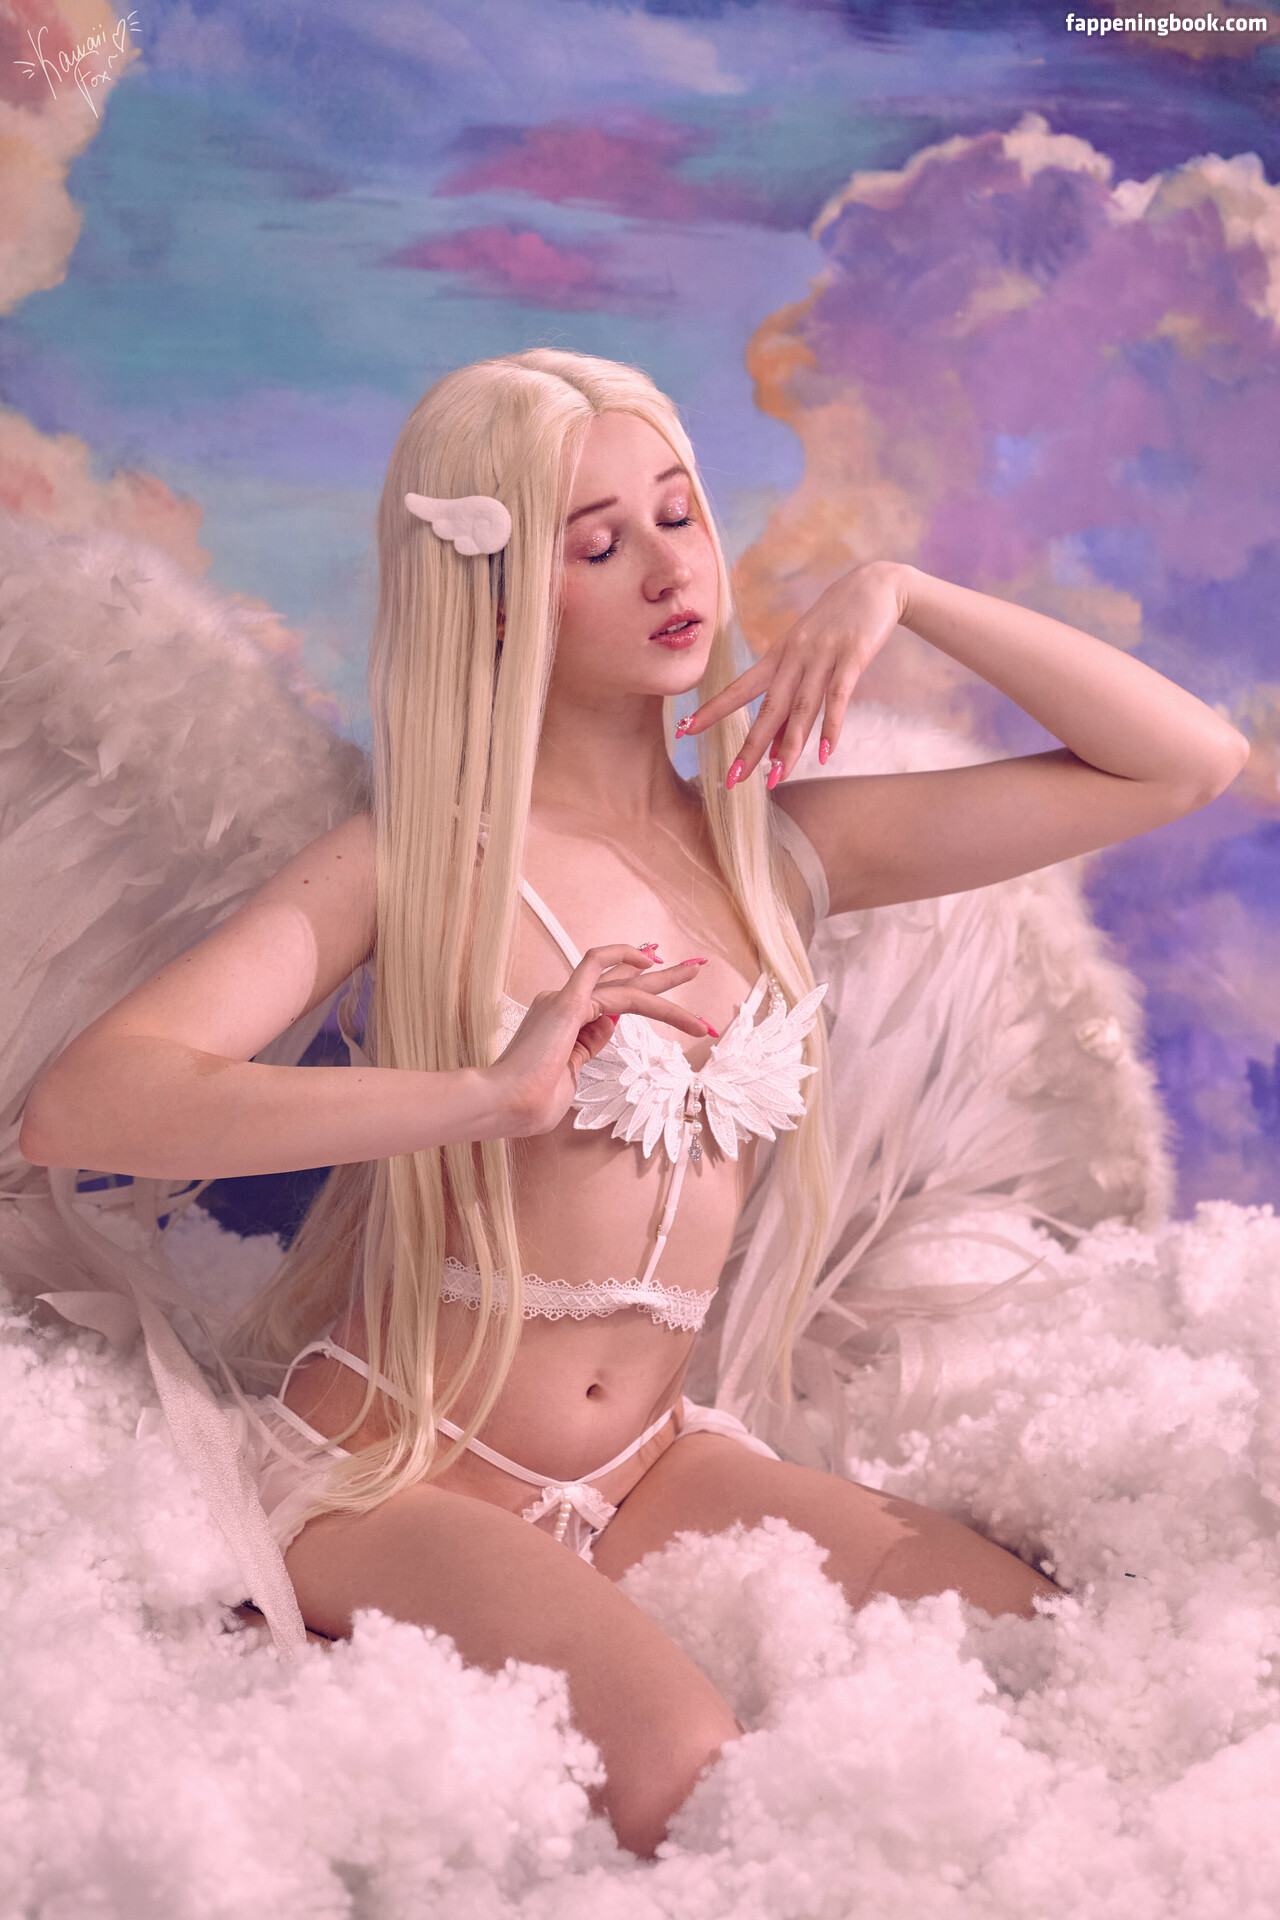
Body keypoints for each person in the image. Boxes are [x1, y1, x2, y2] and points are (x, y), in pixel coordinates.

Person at [18, 350, 1248, 1856]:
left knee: (1039, 1646)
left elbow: (1185, 763)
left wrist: (903, 591)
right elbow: (90, 1105)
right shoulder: (413, 866)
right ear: (492, 599)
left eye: (680, 515)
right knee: (688, 1773)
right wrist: (483, 1093)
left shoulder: (773, 857)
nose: (670, 570)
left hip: (656, 1461)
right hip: (399, 1469)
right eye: (597, 544)